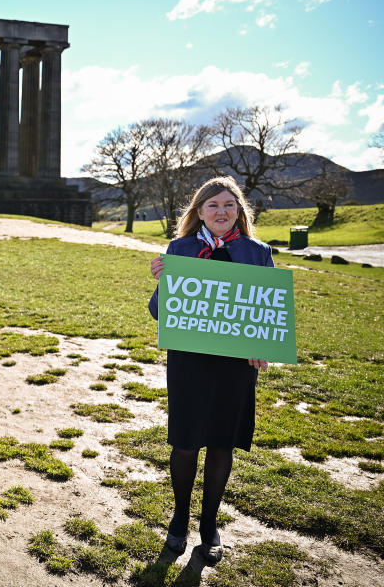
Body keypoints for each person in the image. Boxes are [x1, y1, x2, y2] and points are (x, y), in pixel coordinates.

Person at [148, 176, 273, 564]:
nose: (222, 212)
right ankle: (180, 518)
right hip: (190, 362)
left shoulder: (258, 252)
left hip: (236, 366)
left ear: (239, 212)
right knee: (185, 444)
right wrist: (165, 282)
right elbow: (158, 312)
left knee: (221, 443)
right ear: (199, 211)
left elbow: (269, 311)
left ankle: (209, 524)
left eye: (229, 205)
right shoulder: (181, 248)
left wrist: (263, 346)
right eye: (213, 205)